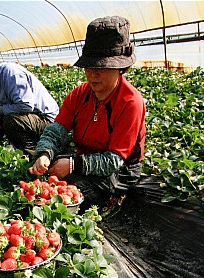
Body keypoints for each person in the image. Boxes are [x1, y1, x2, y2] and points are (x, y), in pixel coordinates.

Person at [29, 16, 146, 213]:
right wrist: (44, 154)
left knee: (69, 191)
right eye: (89, 66)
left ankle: (113, 199)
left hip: (119, 170)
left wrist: (73, 164)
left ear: (120, 68)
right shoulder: (80, 94)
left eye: (101, 67)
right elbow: (56, 131)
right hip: (85, 156)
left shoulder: (131, 102)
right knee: (46, 171)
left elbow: (113, 161)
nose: (92, 74)